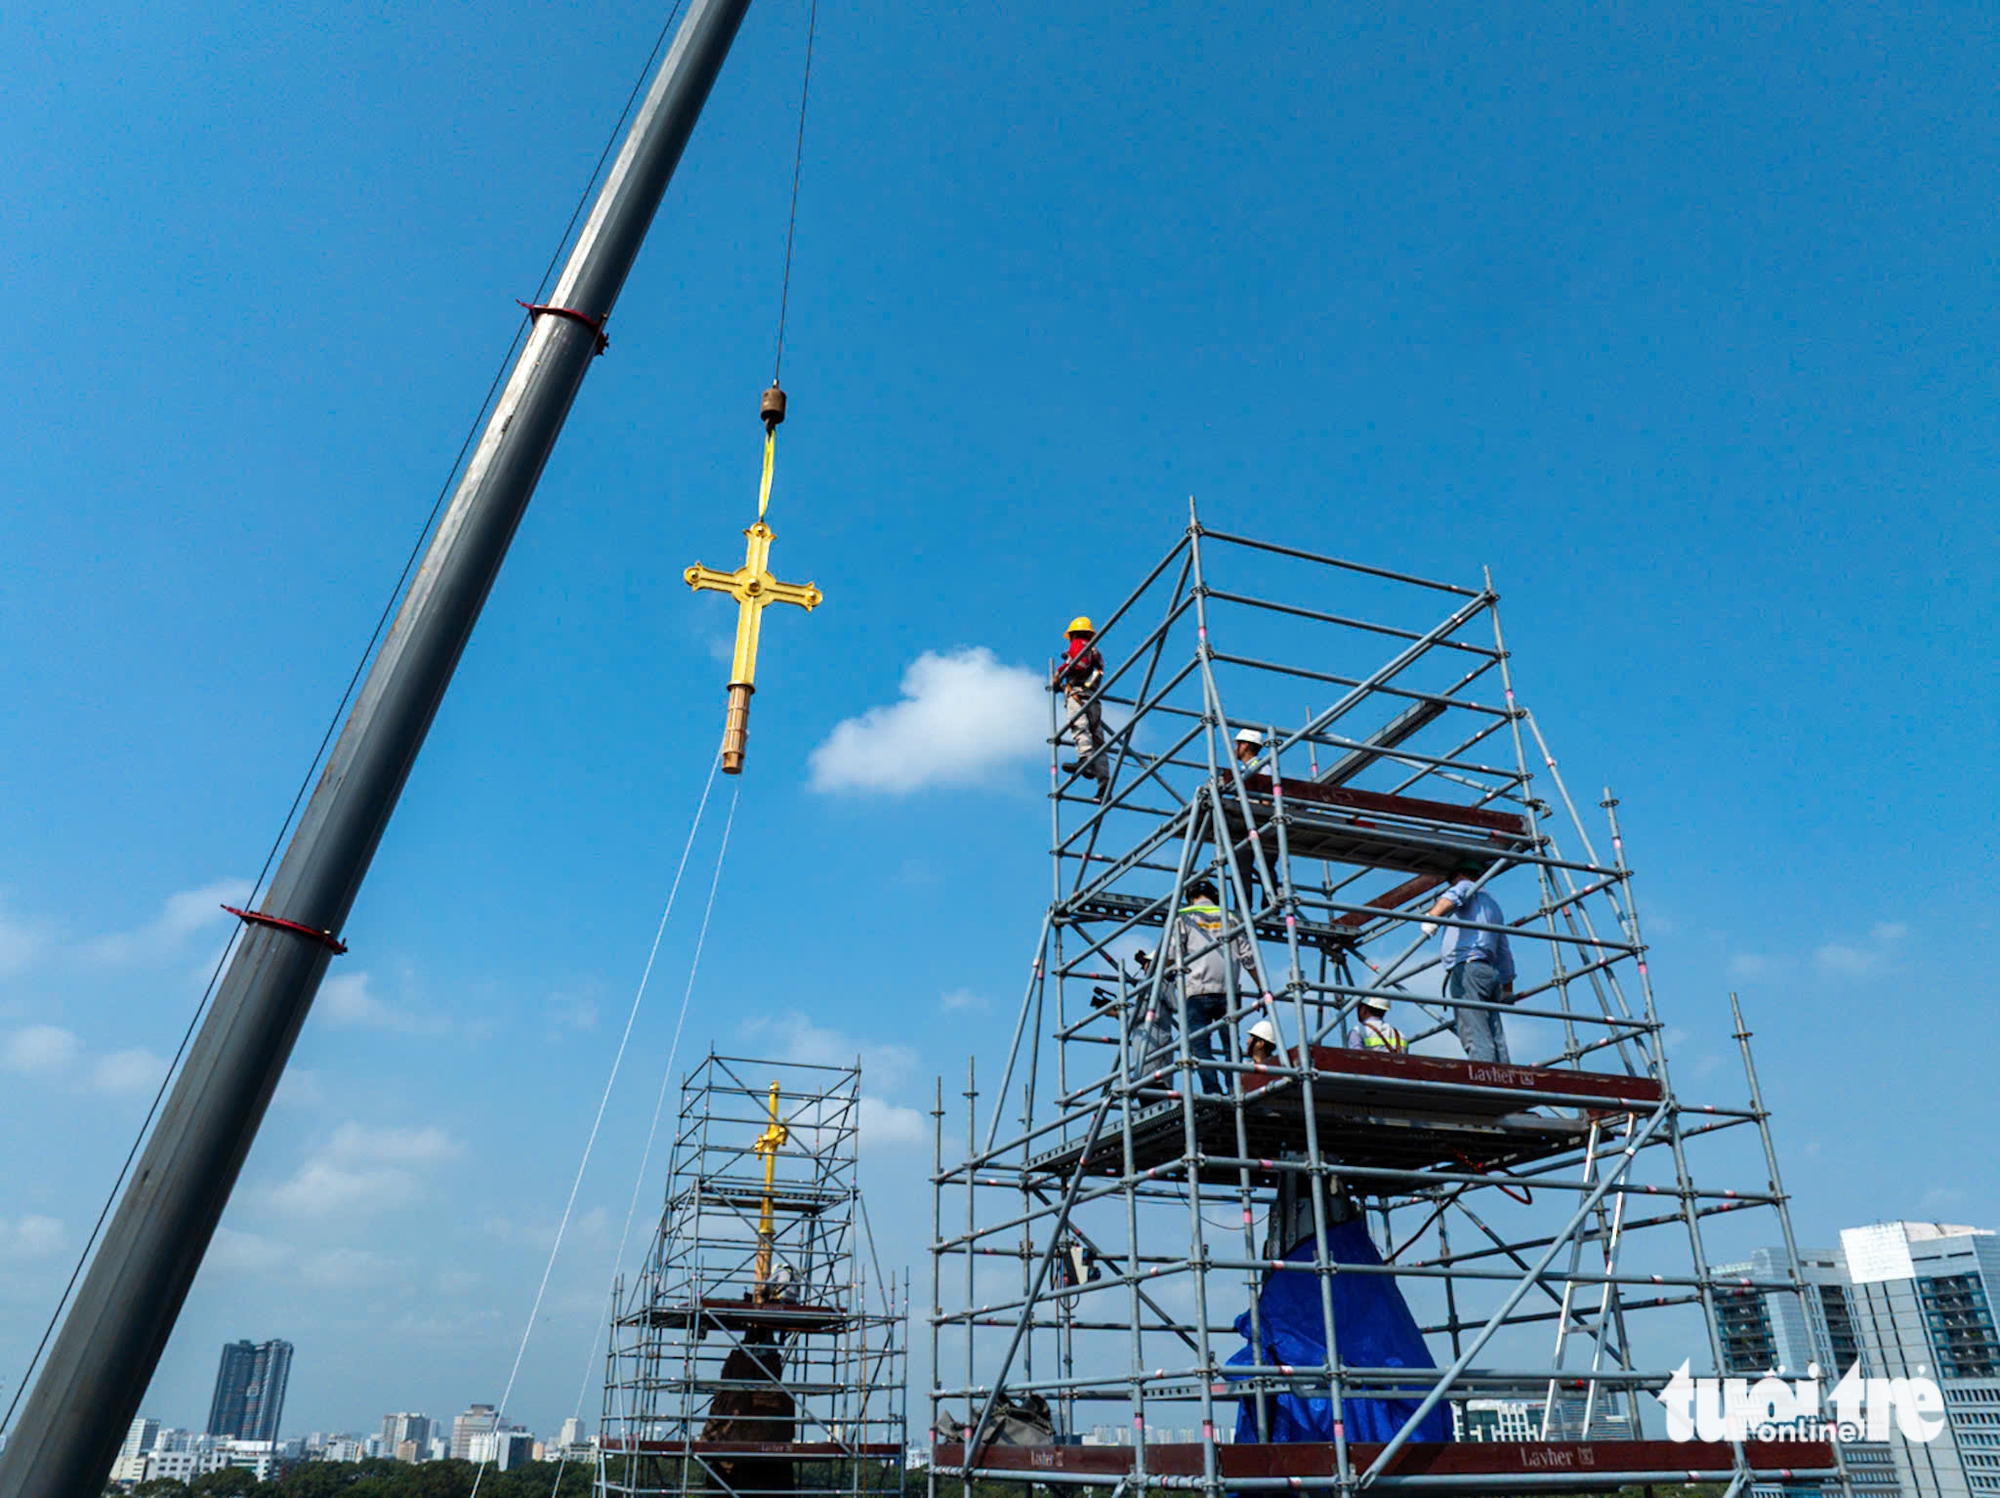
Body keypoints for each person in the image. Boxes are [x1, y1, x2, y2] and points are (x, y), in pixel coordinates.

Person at [1158, 877, 1259, 1094]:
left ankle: (1212, 1090)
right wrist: (1263, 988)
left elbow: (1170, 954)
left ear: (1190, 896)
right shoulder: (1232, 917)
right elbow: (1248, 957)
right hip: (1228, 992)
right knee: (1231, 1044)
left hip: (1196, 991)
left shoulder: (1184, 916)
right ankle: (1235, 1087)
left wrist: (1156, 974)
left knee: (1199, 1045)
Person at [1420, 861, 1515, 1063]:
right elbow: (1504, 951)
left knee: (1474, 1029)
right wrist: (1507, 987)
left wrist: (1432, 917)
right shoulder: (1493, 906)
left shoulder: (1465, 886)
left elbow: (1453, 896)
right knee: (1493, 1029)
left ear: (1462, 875)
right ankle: (1504, 1075)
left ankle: (1484, 1075)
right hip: (1489, 972)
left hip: (1468, 968)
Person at [1053, 616, 1110, 796]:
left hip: (1078, 695)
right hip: (1092, 698)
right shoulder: (1096, 653)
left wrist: (1059, 673)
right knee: (1098, 740)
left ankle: (1085, 760)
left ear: (1073, 634)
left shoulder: (1079, 644)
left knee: (1080, 727)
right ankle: (1104, 786)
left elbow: (1077, 666)